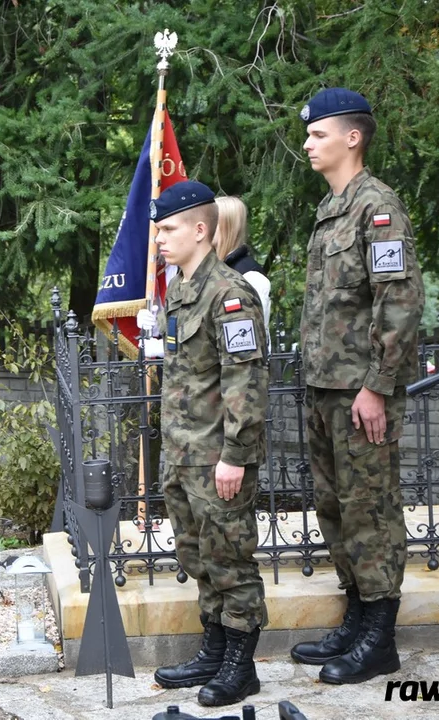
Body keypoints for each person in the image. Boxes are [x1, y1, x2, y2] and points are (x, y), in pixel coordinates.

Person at [289, 88, 425, 684]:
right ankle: (357, 614)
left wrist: (377, 386)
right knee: (335, 507)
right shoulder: (330, 212)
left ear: (352, 138)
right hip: (325, 389)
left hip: (360, 392)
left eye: (318, 134)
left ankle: (380, 637)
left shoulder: (378, 208)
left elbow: (399, 301)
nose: (308, 143)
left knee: (370, 509)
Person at [136, 180, 270, 707]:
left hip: (219, 458)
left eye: (168, 230)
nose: (160, 240)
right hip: (184, 456)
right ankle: (213, 650)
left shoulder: (230, 294)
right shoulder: (182, 293)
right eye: (158, 230)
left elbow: (247, 381)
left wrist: (235, 456)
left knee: (232, 559)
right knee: (199, 556)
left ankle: (241, 665)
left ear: (200, 229)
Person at [212, 196, 271, 336]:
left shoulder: (250, 276)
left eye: (211, 221)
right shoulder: (215, 270)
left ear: (227, 225)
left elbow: (247, 337)